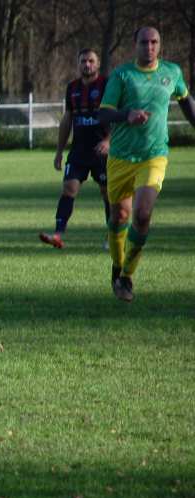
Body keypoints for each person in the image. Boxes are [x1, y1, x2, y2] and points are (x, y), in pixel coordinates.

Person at [99, 26, 195, 302]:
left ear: (159, 45)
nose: (149, 47)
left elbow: (186, 101)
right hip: (119, 158)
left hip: (154, 156)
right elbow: (102, 114)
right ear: (135, 45)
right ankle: (117, 267)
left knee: (142, 215)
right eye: (144, 42)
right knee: (119, 218)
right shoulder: (122, 75)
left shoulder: (172, 73)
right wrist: (126, 114)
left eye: (154, 42)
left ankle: (127, 276)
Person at [40, 48, 110, 249]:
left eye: (91, 61)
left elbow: (118, 117)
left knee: (107, 194)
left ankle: (112, 236)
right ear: (78, 64)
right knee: (69, 188)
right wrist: (59, 151)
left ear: (97, 64)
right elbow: (67, 120)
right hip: (79, 151)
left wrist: (109, 141)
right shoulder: (72, 88)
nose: (87, 65)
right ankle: (58, 234)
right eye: (83, 61)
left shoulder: (107, 85)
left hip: (101, 151)